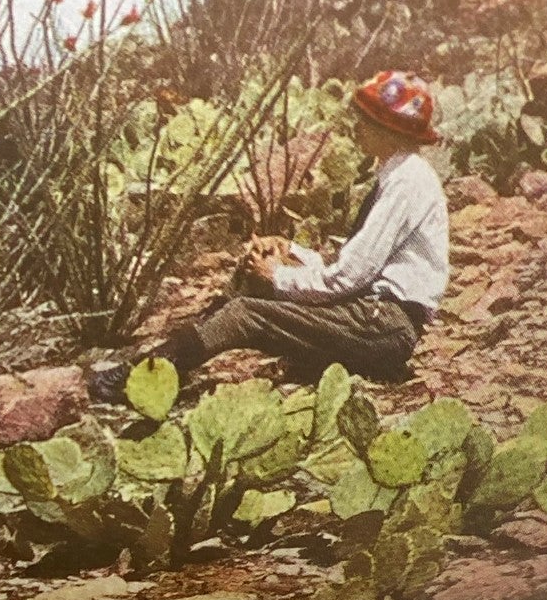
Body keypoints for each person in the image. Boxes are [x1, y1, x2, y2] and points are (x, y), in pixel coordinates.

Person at [91, 70, 449, 400]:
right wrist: (288, 248)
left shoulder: (406, 181)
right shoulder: (400, 174)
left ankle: (136, 378)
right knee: (251, 289)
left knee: (247, 313)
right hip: (375, 319)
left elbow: (350, 276)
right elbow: (356, 267)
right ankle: (160, 364)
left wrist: (277, 275)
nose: (357, 128)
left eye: (367, 121)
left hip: (382, 325)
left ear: (389, 129)